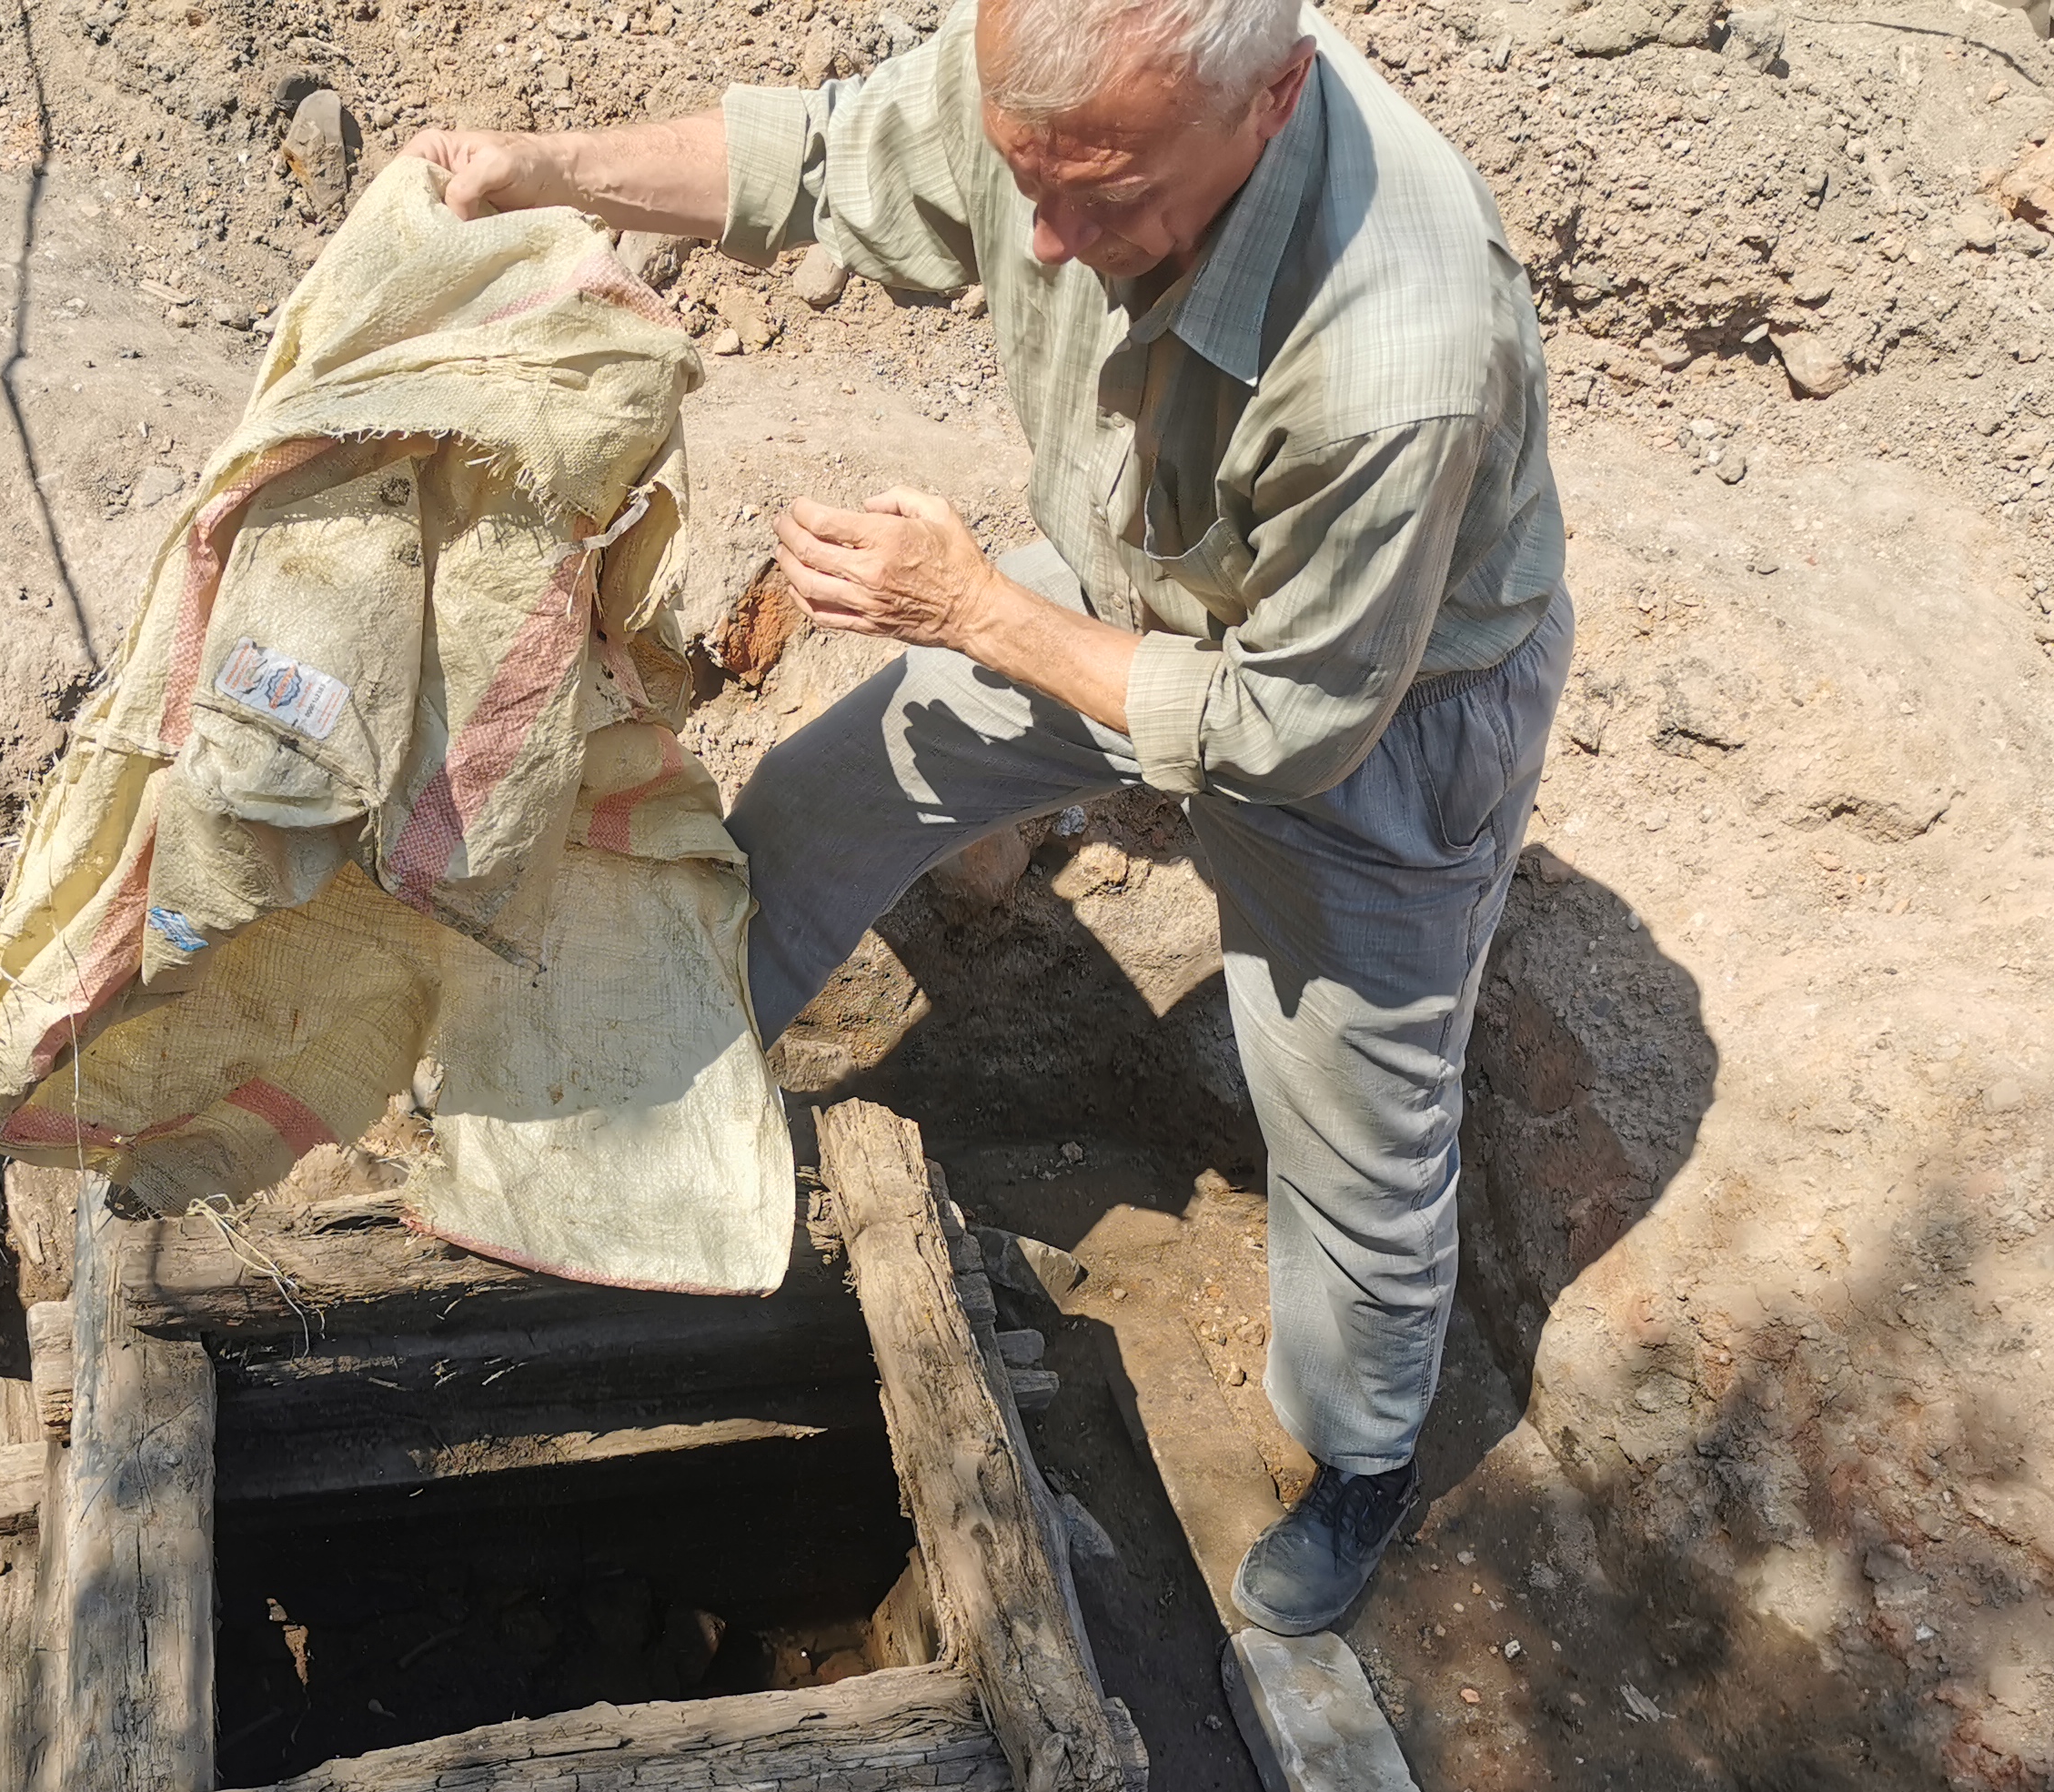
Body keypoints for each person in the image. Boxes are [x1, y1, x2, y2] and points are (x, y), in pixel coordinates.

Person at [404, 0, 1569, 1636]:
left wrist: (971, 607)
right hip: (1129, 589)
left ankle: (1363, 1459)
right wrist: (546, 168)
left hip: (1367, 721)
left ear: (1273, 103)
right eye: (1025, 173)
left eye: (1106, 200)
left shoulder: (1396, 358)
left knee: (1358, 1131)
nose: (1042, 236)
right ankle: (643, 1125)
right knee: (826, 797)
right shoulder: (1070, 90)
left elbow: (1284, 726)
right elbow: (814, 158)